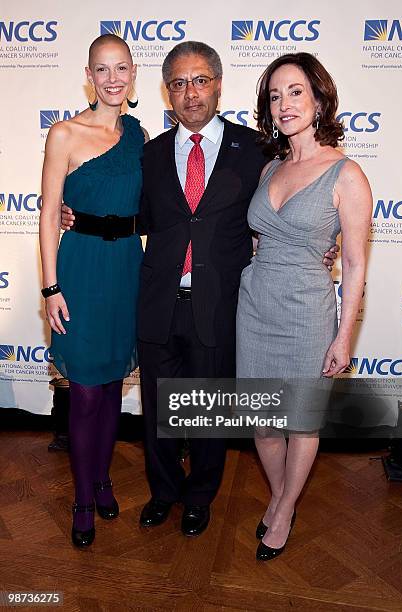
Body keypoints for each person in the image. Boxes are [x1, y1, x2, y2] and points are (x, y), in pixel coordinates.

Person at [61, 41, 337, 538]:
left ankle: (199, 497)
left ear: (217, 84)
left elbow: (288, 207)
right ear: (168, 93)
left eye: (200, 80)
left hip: (223, 305)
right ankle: (163, 492)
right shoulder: (147, 153)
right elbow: (129, 214)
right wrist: (76, 217)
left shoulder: (256, 150)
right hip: (158, 300)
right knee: (159, 409)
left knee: (209, 408)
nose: (191, 92)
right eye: (179, 83)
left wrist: (319, 245)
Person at [236, 52, 372, 560]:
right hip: (255, 305)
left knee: (300, 421)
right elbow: (258, 238)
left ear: (318, 99)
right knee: (263, 422)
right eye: (275, 95)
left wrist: (344, 336)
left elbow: (355, 265)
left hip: (307, 311)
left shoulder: (346, 174)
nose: (284, 103)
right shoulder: (270, 166)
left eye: (295, 92)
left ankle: (286, 508)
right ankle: (279, 495)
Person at [39, 34, 145, 548]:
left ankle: (102, 478)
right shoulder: (64, 134)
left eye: (120, 68)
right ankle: (82, 496)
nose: (112, 79)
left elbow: (150, 207)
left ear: (132, 73)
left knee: (109, 390)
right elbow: (46, 213)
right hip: (79, 269)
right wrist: (50, 286)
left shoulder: (139, 134)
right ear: (89, 74)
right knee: (83, 393)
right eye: (102, 70)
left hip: (126, 267)